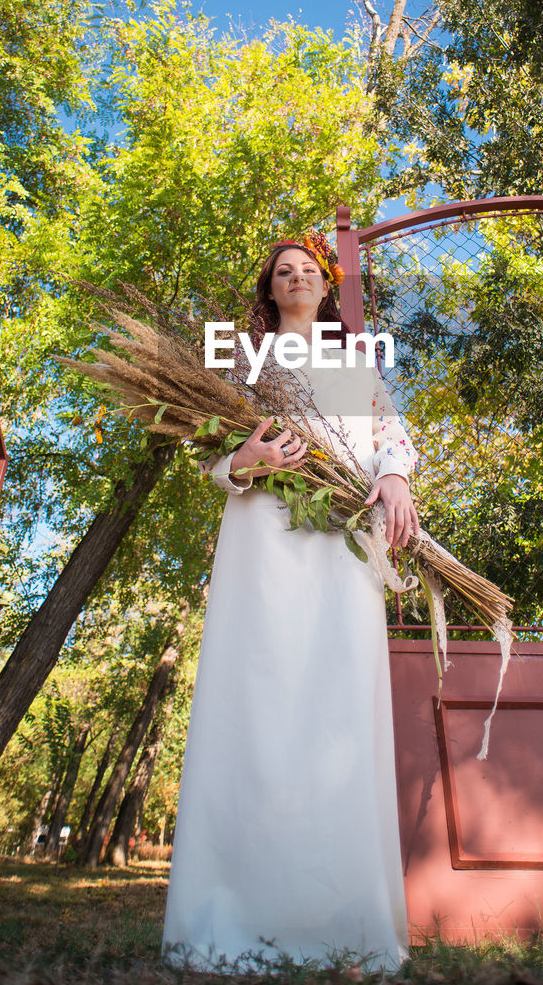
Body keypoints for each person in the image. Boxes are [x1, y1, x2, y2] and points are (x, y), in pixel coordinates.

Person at [161, 234, 419, 970]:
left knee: (339, 701)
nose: (298, 277)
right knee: (257, 699)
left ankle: (343, 917)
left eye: (309, 270)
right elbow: (202, 439)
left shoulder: (355, 362)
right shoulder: (238, 358)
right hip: (261, 540)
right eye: (284, 271)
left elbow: (390, 435)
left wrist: (395, 479)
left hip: (341, 540)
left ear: (326, 289)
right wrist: (242, 462)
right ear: (268, 289)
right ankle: (233, 907)